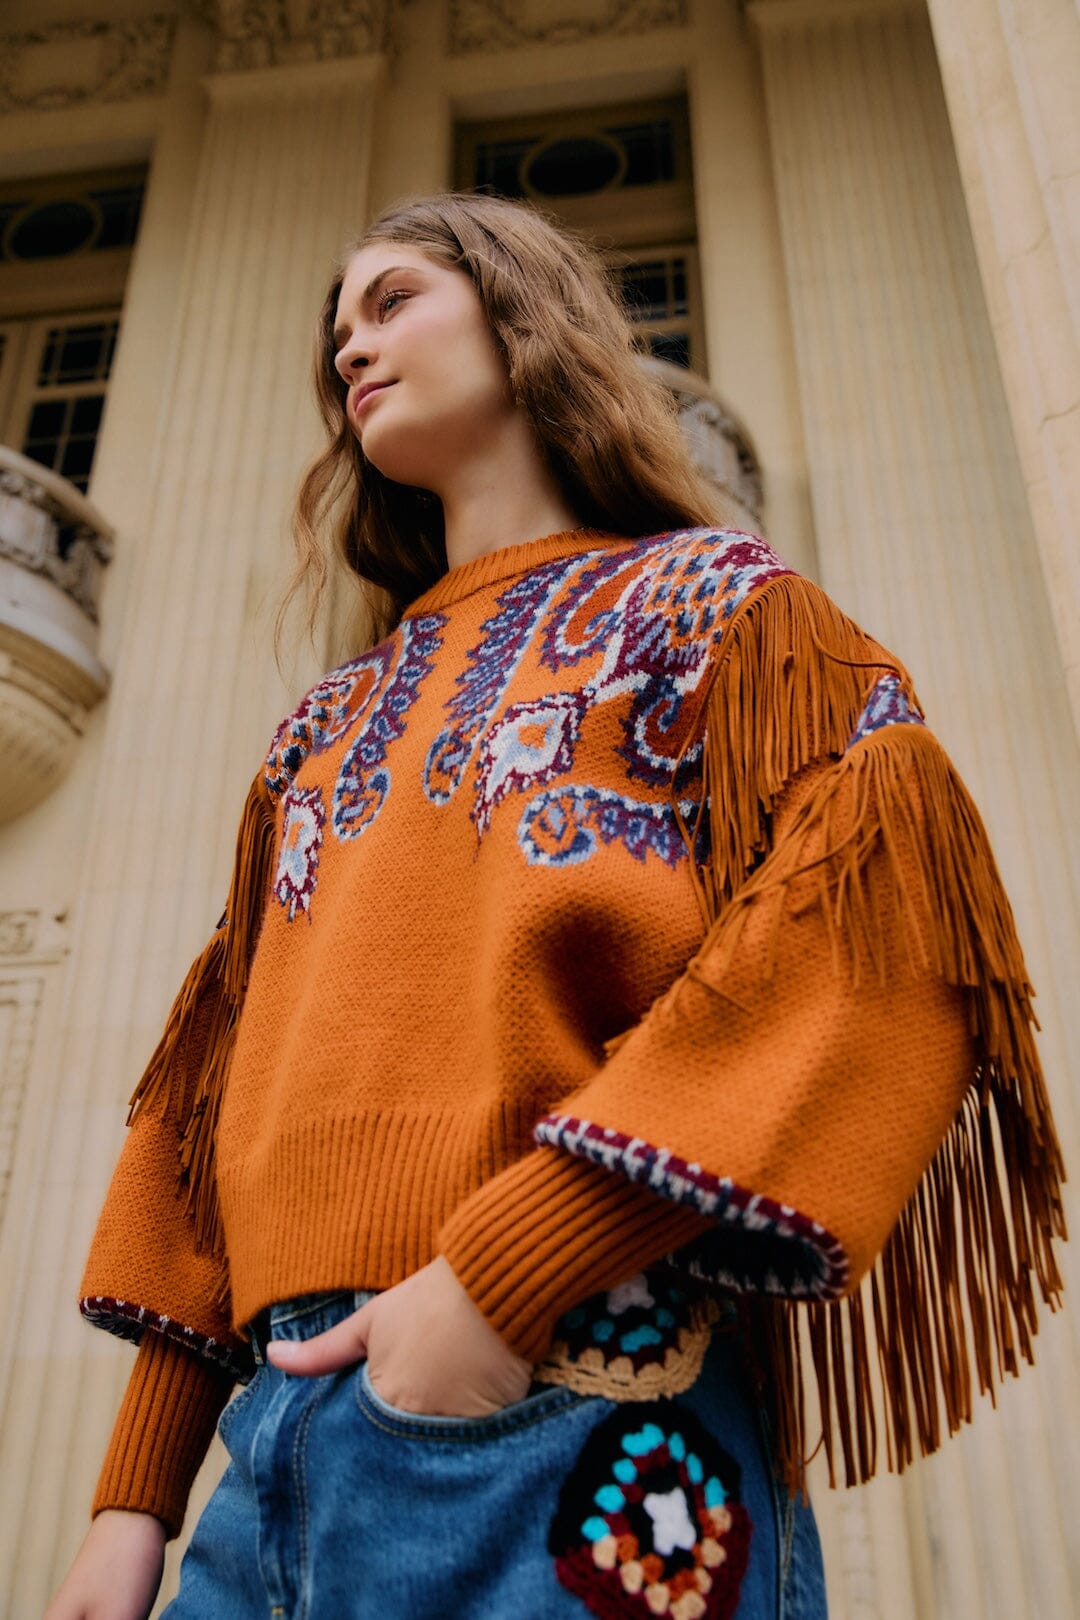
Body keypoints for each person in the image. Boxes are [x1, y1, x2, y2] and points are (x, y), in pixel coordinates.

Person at [46, 191, 1064, 1620]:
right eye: (337, 330)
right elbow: (220, 1088)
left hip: (566, 1378)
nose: (350, 346)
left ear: (526, 321)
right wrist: (134, 1492)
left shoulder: (716, 607)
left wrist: (501, 1281)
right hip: (266, 1441)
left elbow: (882, 922)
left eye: (392, 300)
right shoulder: (318, 725)